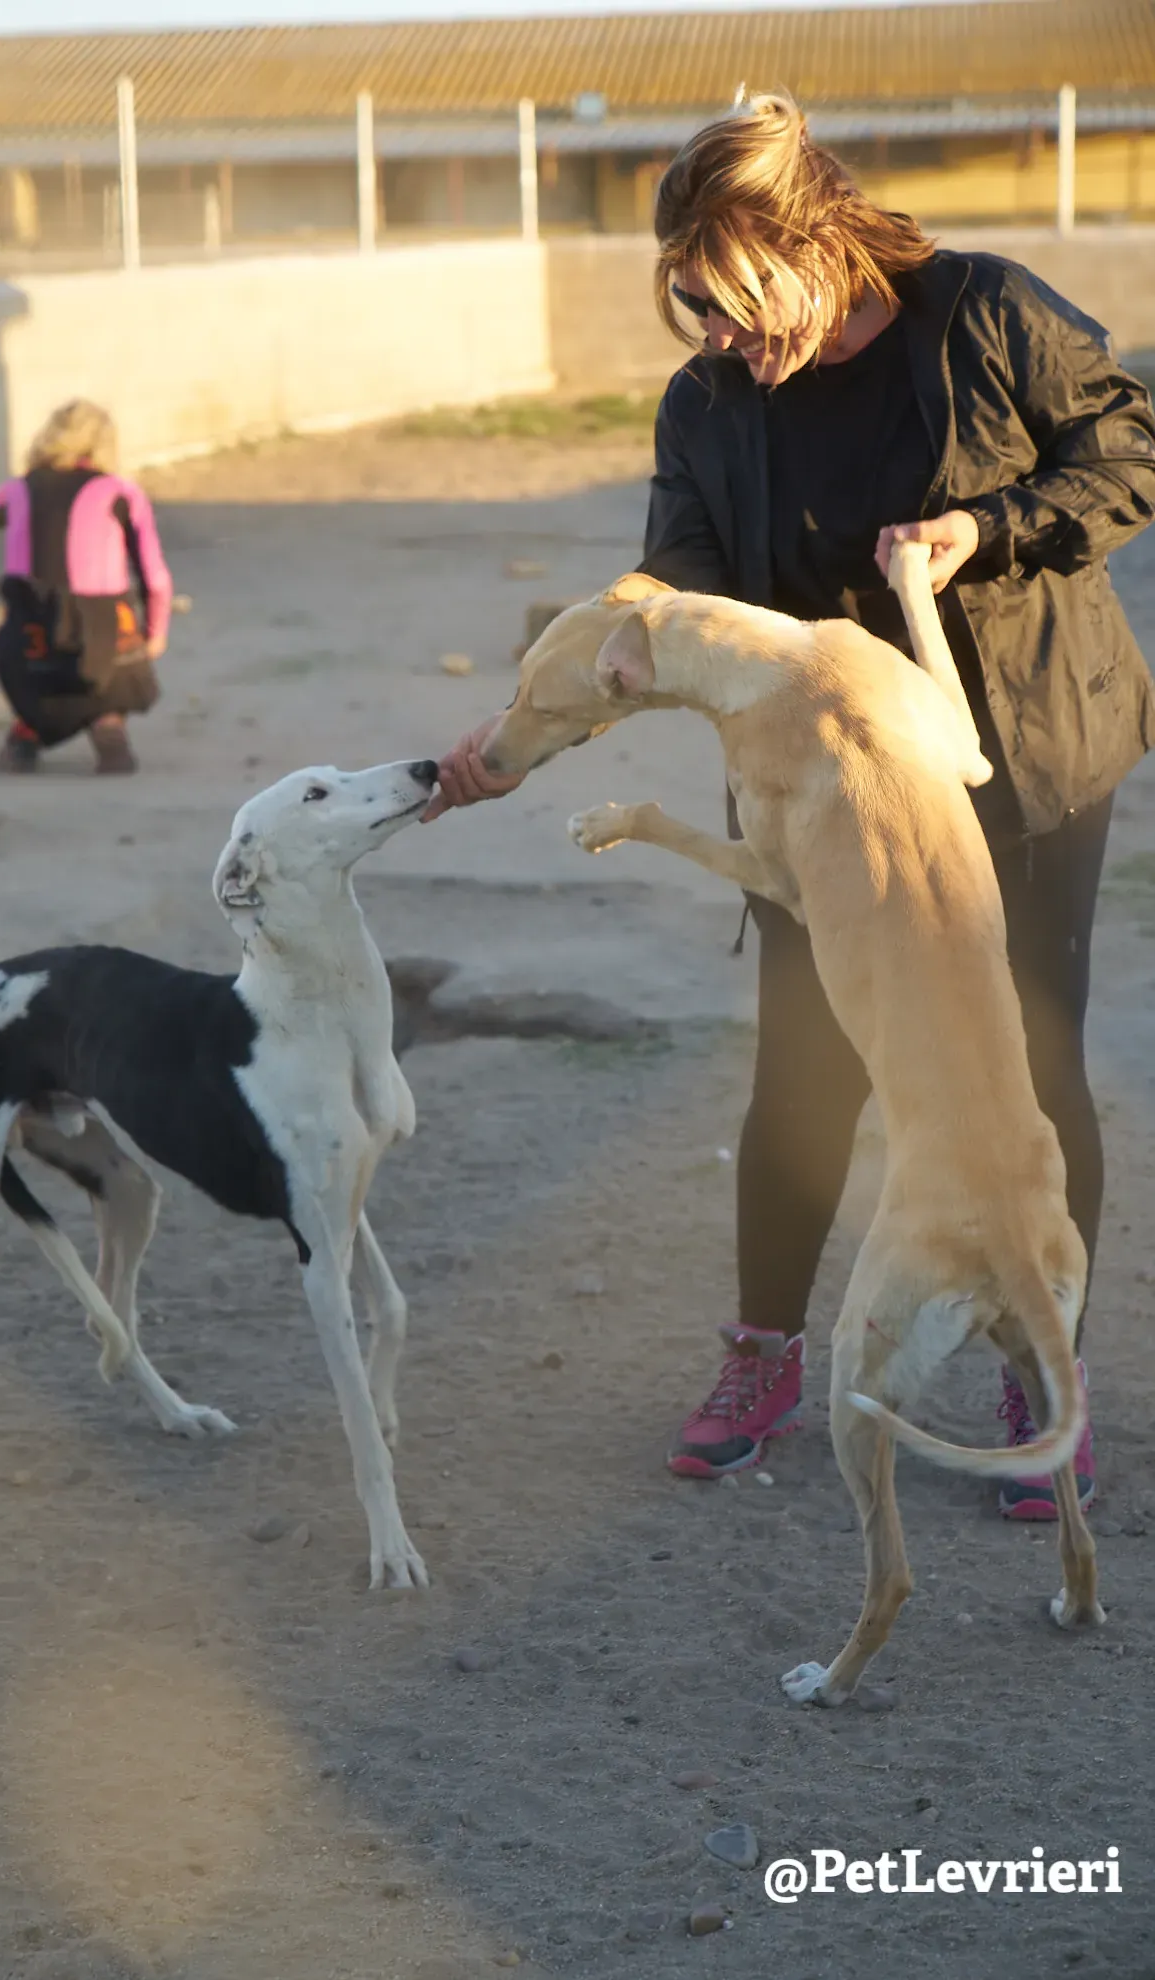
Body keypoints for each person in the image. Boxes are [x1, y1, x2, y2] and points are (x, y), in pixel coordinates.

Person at [422, 91, 1155, 1520]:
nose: (712, 333)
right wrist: (524, 719)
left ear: (803, 247)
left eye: (729, 298)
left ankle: (1035, 1360)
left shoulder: (983, 316)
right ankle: (761, 1361)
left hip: (1023, 744)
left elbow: (1127, 448)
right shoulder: (707, 403)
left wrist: (985, 528)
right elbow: (671, 582)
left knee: (1031, 1068)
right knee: (805, 1068)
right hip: (817, 782)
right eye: (690, 304)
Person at [0, 398, 172, 774]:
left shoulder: (20, 489)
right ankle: (107, 723)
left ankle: (26, 735)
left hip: (32, 629)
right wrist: (156, 631)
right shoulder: (120, 492)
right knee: (111, 669)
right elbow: (155, 576)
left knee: (37, 670)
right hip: (107, 630)